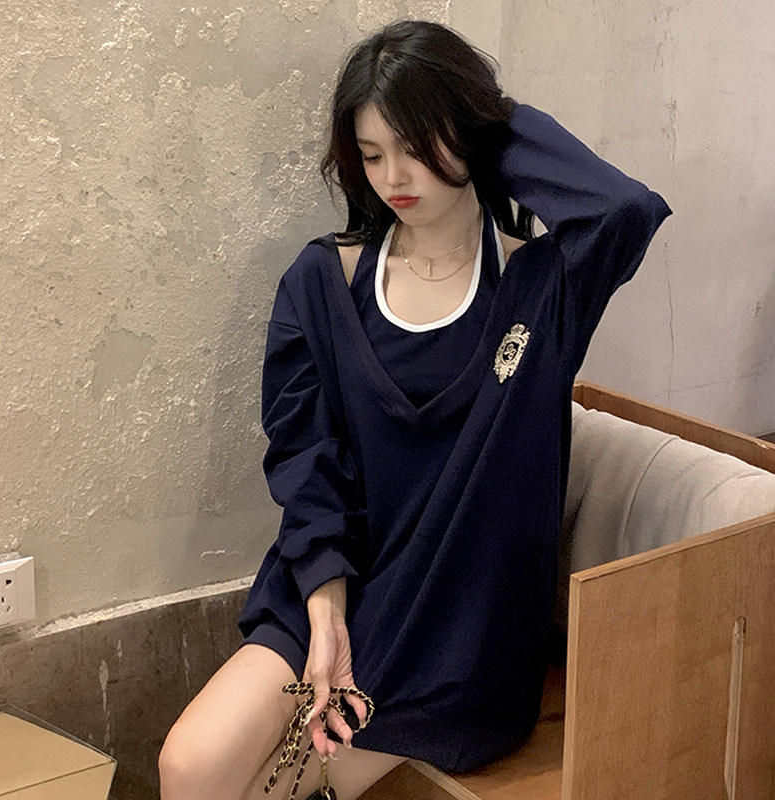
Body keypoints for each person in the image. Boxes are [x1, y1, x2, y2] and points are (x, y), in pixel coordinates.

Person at [158, 20, 671, 800]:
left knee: (265, 792)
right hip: (337, 595)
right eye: (371, 155)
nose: (393, 176)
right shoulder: (322, 284)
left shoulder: (542, 286)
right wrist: (325, 617)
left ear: (472, 134)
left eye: (416, 146)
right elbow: (306, 463)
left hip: (456, 639)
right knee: (188, 768)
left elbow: (622, 208)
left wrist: (482, 124)